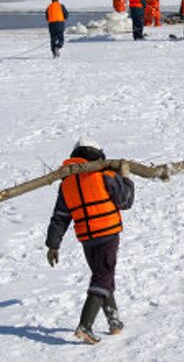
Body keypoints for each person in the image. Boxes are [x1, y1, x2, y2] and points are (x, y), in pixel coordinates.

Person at [45, 139, 135, 345]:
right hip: (108, 235)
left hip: (87, 238)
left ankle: (114, 322)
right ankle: (85, 326)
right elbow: (126, 201)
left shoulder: (67, 182)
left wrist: (53, 245)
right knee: (102, 278)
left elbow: (60, 217)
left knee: (102, 276)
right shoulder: (104, 174)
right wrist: (126, 177)